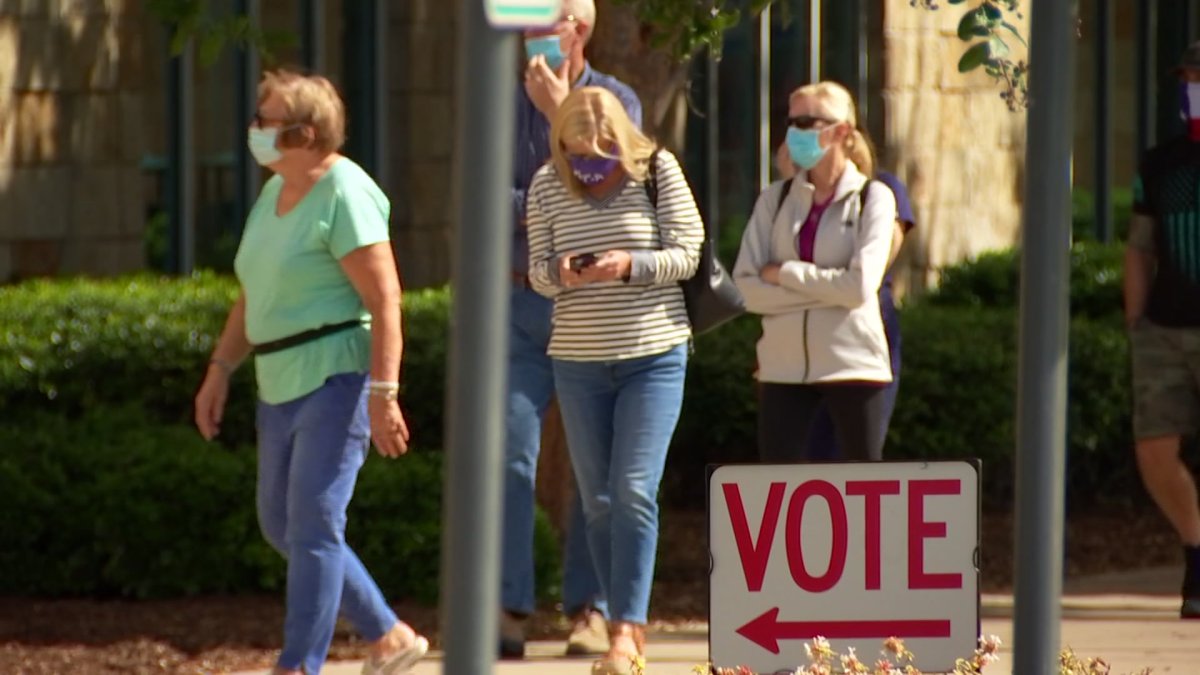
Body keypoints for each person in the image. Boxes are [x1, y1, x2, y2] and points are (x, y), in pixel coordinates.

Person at [193, 69, 427, 674]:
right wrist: (221, 368)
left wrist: (384, 393)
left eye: (264, 122)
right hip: (277, 381)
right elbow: (255, 294)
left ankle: (299, 664)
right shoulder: (273, 194)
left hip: (337, 378)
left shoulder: (345, 192)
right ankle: (387, 633)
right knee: (282, 525)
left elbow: (385, 300)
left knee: (316, 523)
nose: (254, 132)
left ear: (305, 133)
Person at [526, 86, 703, 674]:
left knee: (632, 489)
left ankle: (627, 628)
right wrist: (565, 273)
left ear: (622, 141)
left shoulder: (657, 170)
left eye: (601, 152)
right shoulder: (548, 183)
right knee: (597, 500)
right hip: (577, 360)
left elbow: (688, 252)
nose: (590, 165)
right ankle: (616, 624)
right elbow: (537, 272)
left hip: (652, 355)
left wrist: (630, 265)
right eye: (577, 153)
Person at [503, 0, 644, 659]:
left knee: (597, 470)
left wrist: (562, 115)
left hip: (591, 308)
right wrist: (561, 195)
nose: (529, 32)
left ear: (577, 28)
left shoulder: (617, 100)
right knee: (509, 455)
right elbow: (483, 199)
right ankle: (507, 605)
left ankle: (591, 609)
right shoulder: (495, 102)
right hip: (520, 303)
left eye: (542, 17)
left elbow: (617, 194)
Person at [733, 81, 897, 463]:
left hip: (854, 363)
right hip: (782, 366)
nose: (793, 133)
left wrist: (786, 273)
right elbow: (745, 287)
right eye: (789, 122)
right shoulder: (774, 199)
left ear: (841, 131)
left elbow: (860, 286)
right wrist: (830, 287)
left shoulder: (874, 197)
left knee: (863, 486)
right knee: (779, 488)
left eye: (806, 122)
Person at [773, 141, 918, 460]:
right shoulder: (788, 198)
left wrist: (795, 275)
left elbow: (871, 272)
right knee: (800, 456)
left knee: (853, 455)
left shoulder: (879, 191)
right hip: (798, 338)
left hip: (858, 336)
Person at [1125, 41, 1200, 619]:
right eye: (1189, 77)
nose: (1192, 86)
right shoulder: (1160, 163)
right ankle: (1196, 552)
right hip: (1164, 330)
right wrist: (1136, 320)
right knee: (1155, 448)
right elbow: (1139, 246)